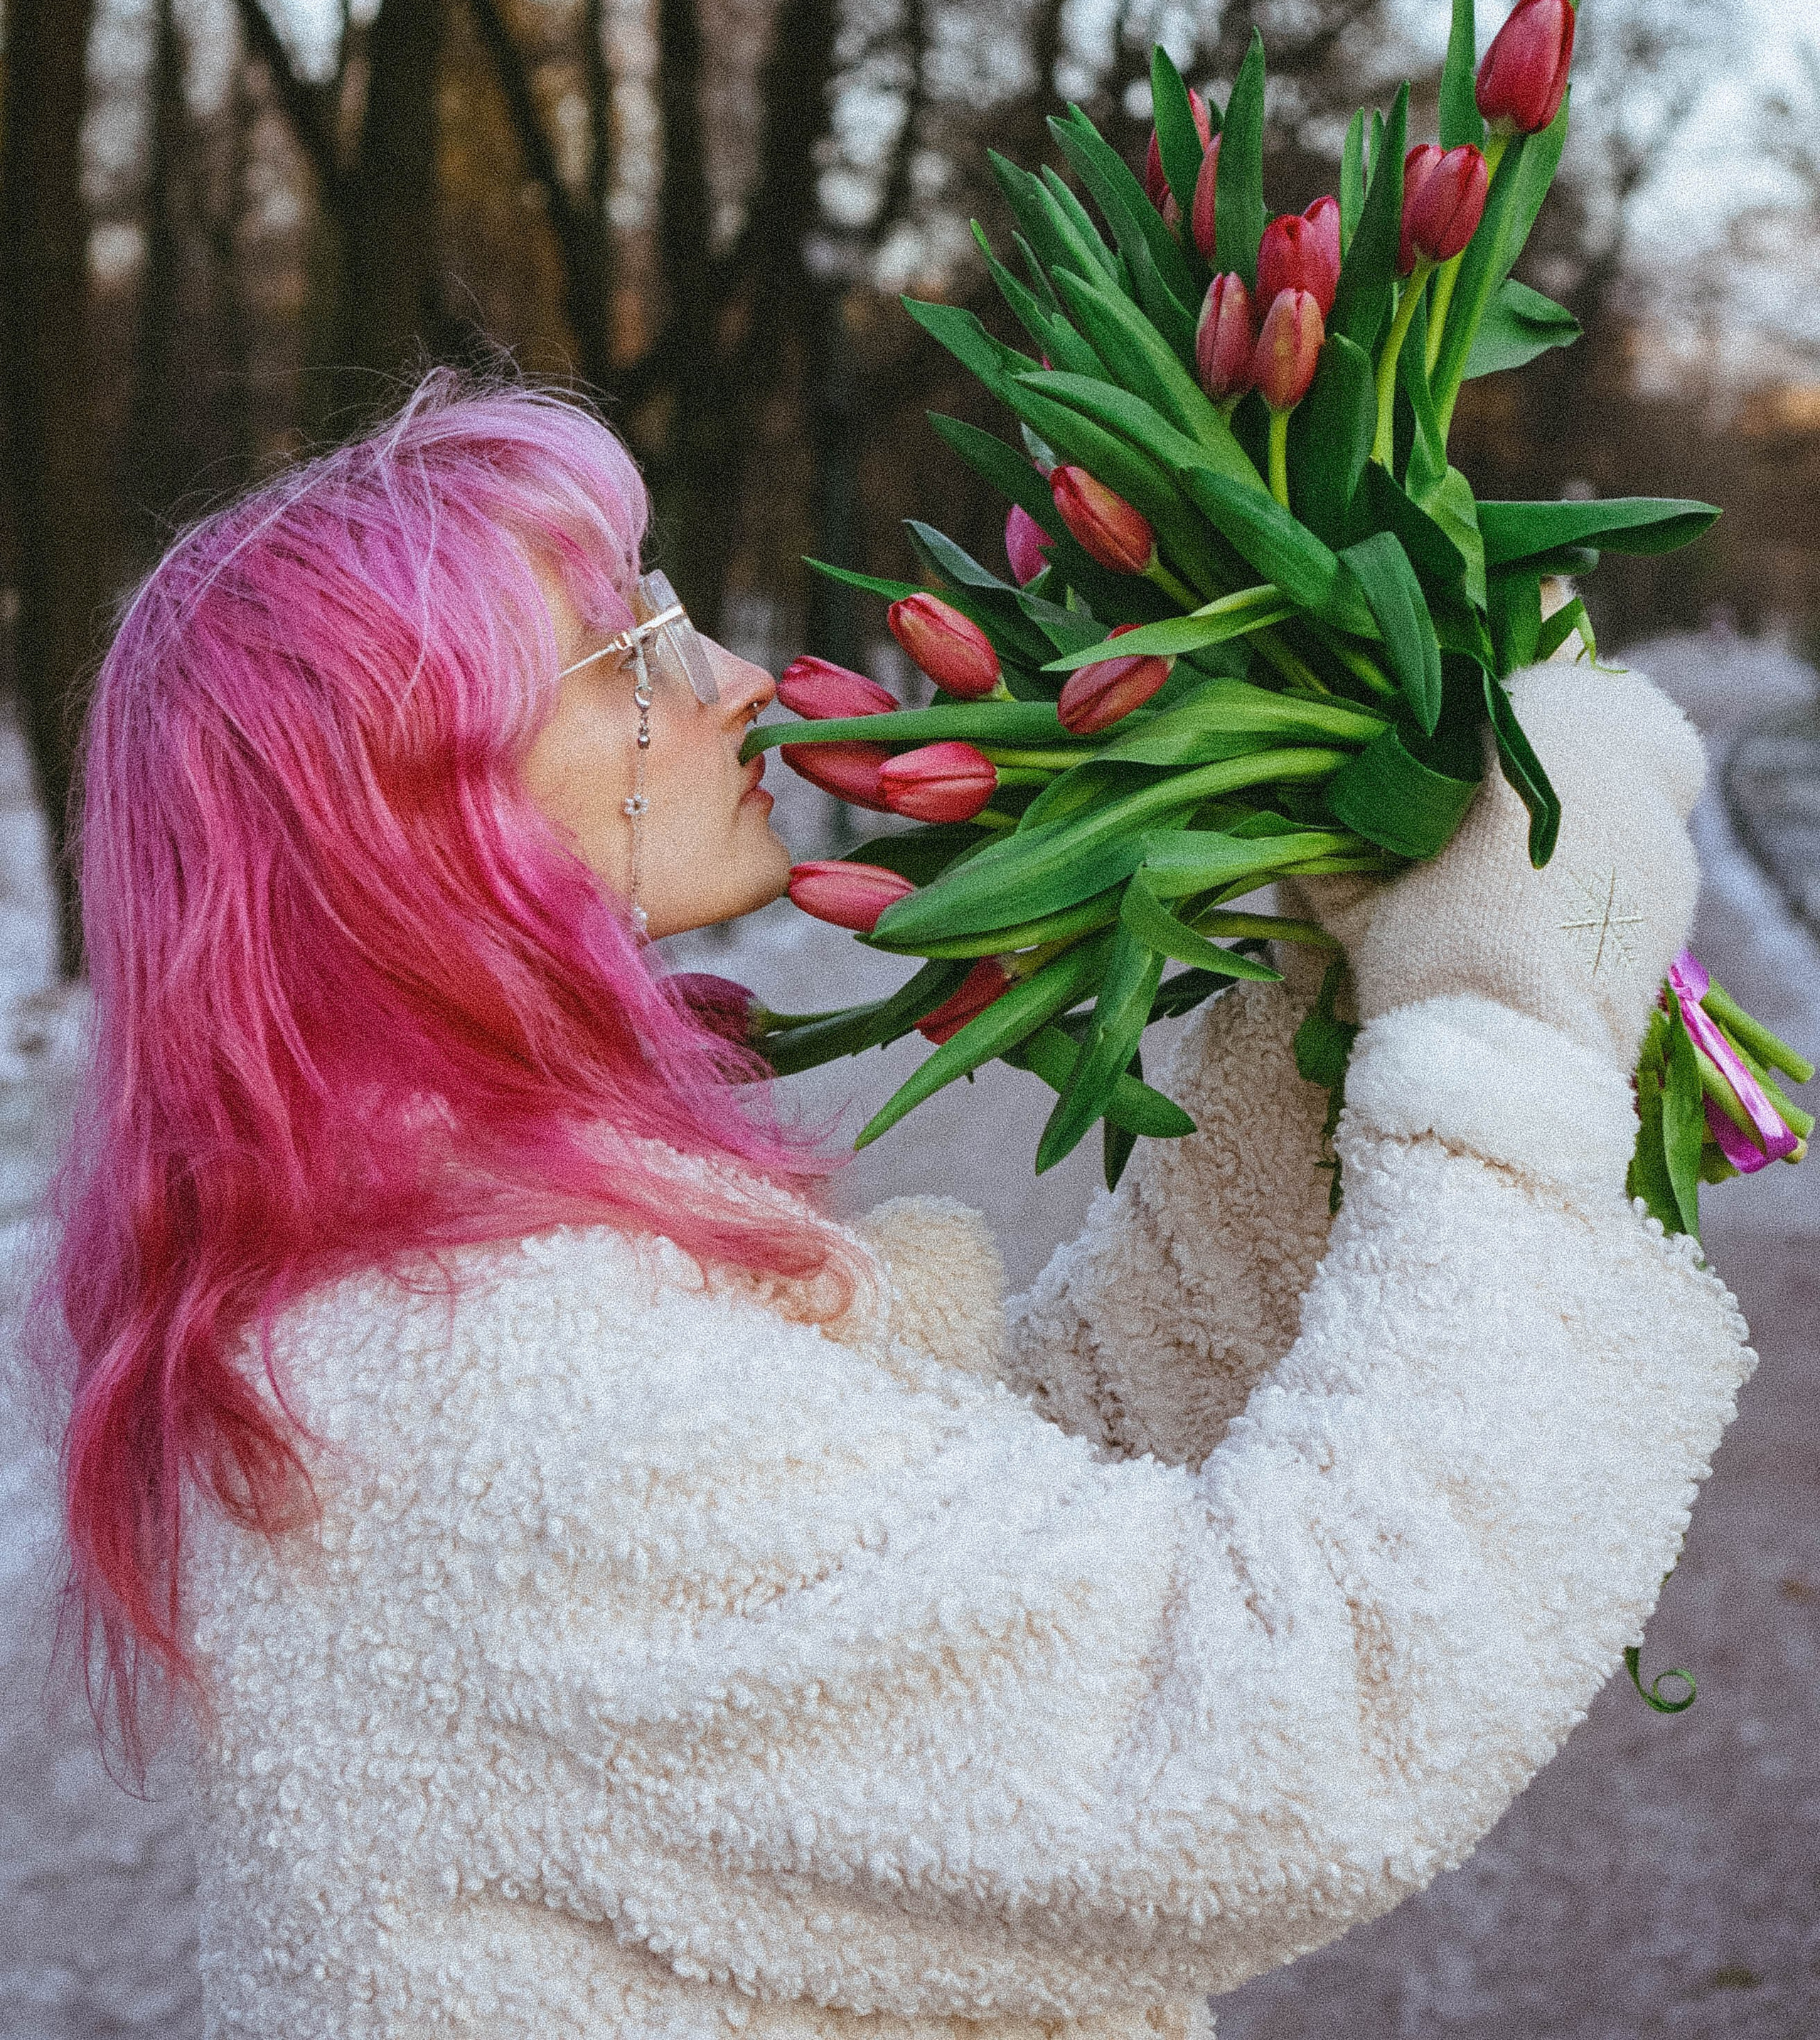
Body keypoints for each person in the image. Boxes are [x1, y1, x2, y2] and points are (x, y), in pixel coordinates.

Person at [43, 368, 1750, 2040]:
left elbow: (986, 1541)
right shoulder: (519, 1394)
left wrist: (1323, 1025)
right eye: (628, 652)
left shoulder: (434, 1282)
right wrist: (1511, 1022)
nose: (734, 682)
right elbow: (1259, 1723)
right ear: (402, 814)